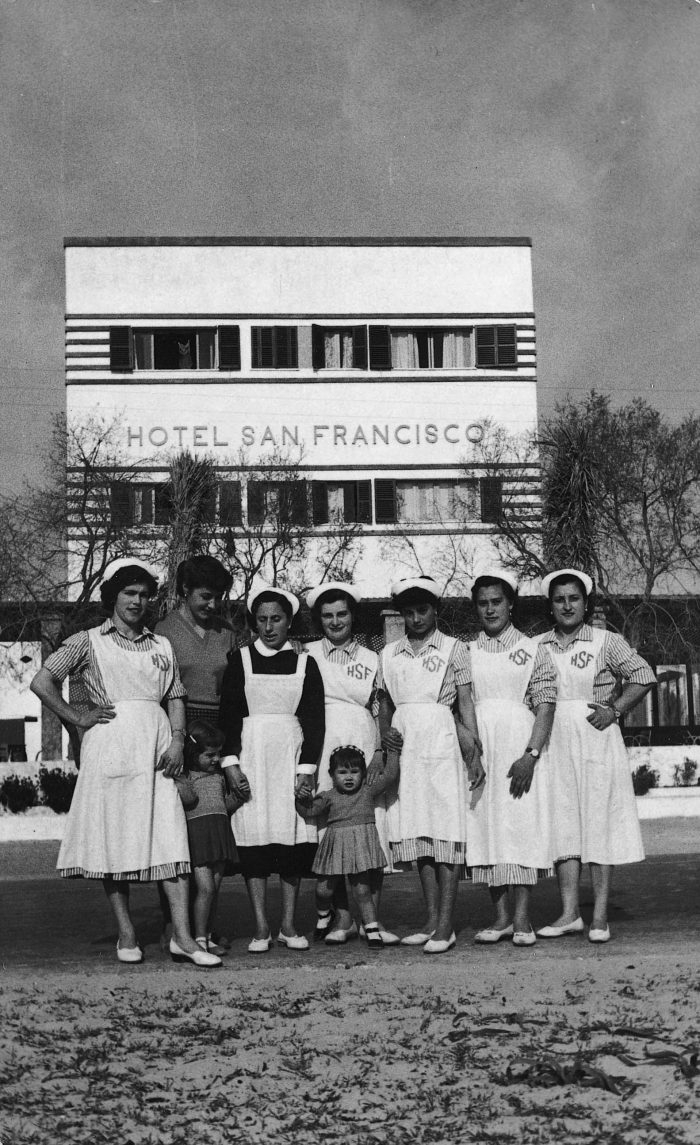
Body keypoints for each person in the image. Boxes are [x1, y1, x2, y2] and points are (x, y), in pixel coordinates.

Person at [29, 558, 221, 968]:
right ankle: (127, 932)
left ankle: (184, 939)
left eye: (144, 594)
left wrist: (175, 740)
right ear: (113, 596)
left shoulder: (161, 645)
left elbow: (175, 697)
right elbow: (42, 682)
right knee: (116, 844)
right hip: (111, 749)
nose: (137, 601)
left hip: (157, 751)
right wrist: (77, 716)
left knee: (170, 839)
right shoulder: (87, 640)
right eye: (129, 593)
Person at [536, 568, 655, 944]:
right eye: (559, 600)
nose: (567, 606)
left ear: (585, 603)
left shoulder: (605, 640)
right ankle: (570, 913)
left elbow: (643, 673)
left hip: (596, 737)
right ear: (550, 606)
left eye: (573, 598)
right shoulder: (538, 645)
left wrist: (615, 710)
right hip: (556, 740)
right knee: (564, 824)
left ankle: (600, 916)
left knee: (598, 823)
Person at [378, 576, 484, 954]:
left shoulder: (455, 649)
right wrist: (383, 734)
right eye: (408, 612)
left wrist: (473, 747)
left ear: (434, 610)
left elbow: (465, 702)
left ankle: (446, 926)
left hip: (441, 739)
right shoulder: (389, 653)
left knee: (444, 831)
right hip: (406, 744)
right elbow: (385, 702)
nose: (416, 618)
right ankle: (430, 918)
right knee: (418, 831)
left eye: (422, 610)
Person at [219, 583, 325, 951]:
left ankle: (289, 925)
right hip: (251, 755)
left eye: (276, 619)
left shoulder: (304, 663)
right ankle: (261, 927)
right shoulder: (241, 659)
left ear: (289, 622)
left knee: (290, 842)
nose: (268, 627)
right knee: (255, 844)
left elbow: (314, 721)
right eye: (261, 619)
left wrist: (306, 770)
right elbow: (229, 718)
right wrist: (231, 764)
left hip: (290, 758)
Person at [460, 570, 556, 947]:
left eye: (496, 601)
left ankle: (522, 919)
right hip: (483, 747)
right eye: (483, 603)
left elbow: (546, 706)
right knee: (487, 829)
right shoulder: (466, 650)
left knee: (519, 828)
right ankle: (499, 917)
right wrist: (470, 747)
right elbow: (460, 701)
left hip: (519, 747)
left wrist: (530, 755)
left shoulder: (534, 649)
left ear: (510, 603)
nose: (490, 609)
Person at [305, 580, 399, 946]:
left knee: (368, 827)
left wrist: (378, 749)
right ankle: (342, 918)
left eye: (341, 613)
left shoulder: (371, 657)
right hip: (323, 740)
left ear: (352, 615)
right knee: (334, 834)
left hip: (362, 740)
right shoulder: (307, 653)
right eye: (327, 615)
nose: (335, 621)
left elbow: (381, 706)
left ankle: (371, 917)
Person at [155, 555, 238, 950]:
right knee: (178, 832)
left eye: (218, 597)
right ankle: (176, 926)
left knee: (209, 831)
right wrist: (174, 743)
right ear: (185, 591)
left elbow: (234, 691)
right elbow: (162, 692)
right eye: (206, 596)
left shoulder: (226, 632)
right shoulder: (163, 631)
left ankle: (202, 927)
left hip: (215, 738)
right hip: (178, 731)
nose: (213, 604)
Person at [296, 744, 400, 949]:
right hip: (335, 846)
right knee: (323, 891)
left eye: (355, 771)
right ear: (332, 775)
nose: (349, 777)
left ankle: (371, 931)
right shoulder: (328, 796)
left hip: (360, 845)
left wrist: (394, 750)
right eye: (342, 772)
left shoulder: (368, 790)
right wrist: (300, 798)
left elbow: (389, 776)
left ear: (363, 773)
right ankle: (324, 915)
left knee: (362, 891)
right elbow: (309, 811)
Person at [174, 720, 245, 954]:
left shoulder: (218, 777)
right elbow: (189, 801)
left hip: (219, 834)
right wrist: (182, 782)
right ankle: (199, 938)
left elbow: (223, 805)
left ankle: (208, 935)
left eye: (218, 754)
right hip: (200, 837)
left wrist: (239, 797)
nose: (216, 760)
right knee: (205, 889)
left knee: (213, 890)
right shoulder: (187, 777)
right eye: (210, 755)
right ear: (194, 754)